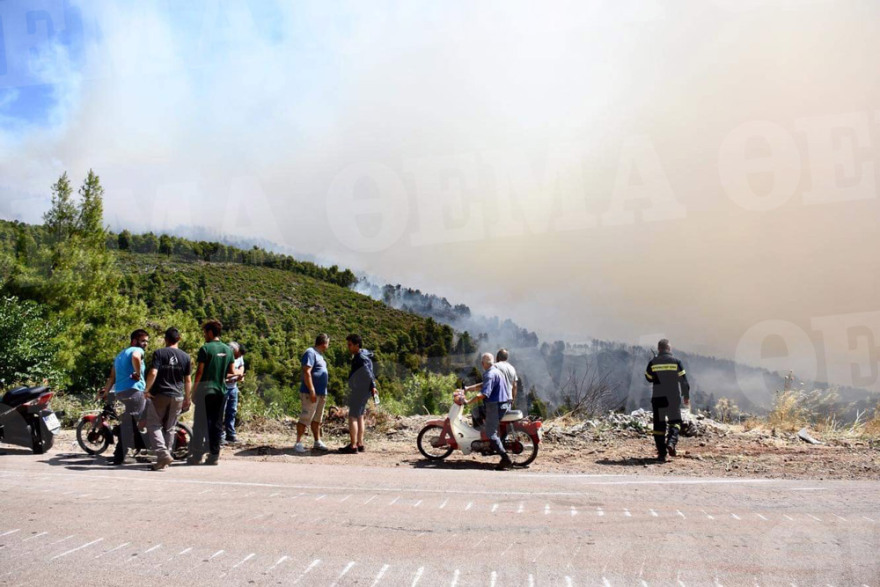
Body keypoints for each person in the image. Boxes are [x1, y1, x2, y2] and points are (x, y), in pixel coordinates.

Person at [188, 320, 236, 466]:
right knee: (216, 424)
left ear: (209, 332)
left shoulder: (205, 348)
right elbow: (232, 372)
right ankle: (214, 455)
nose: (204, 335)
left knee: (200, 424)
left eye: (204, 332)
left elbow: (200, 372)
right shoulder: (228, 350)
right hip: (221, 391)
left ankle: (196, 456)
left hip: (205, 391)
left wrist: (193, 392)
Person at [143, 327, 191, 471]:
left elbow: (153, 372)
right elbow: (188, 380)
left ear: (165, 339)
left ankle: (163, 454)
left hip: (161, 394)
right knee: (170, 427)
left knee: (153, 425)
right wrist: (187, 398)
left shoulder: (159, 353)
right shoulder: (185, 357)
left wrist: (146, 390)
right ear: (179, 339)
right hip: (178, 395)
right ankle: (165, 458)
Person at [99, 329, 149, 465]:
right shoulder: (136, 350)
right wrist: (138, 374)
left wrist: (105, 393)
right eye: (143, 340)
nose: (145, 344)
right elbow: (136, 357)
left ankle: (126, 450)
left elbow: (112, 377)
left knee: (130, 421)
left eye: (147, 341)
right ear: (134, 341)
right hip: (134, 391)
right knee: (132, 424)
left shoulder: (120, 355)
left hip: (121, 392)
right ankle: (121, 454)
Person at [460, 352, 513, 470]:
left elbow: (483, 394)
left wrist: (468, 401)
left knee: (491, 432)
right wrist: (469, 388)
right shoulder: (495, 371)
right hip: (502, 404)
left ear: (483, 363)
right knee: (476, 411)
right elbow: (485, 385)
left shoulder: (490, 374)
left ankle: (505, 459)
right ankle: (483, 440)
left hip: (495, 406)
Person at [644, 338, 690, 462]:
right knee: (675, 422)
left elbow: (648, 377)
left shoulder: (653, 362)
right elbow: (683, 381)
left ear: (659, 349)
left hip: (658, 398)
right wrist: (686, 396)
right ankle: (671, 442)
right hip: (673, 398)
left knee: (659, 426)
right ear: (669, 349)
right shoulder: (676, 362)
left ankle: (662, 454)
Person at [339, 334, 377, 454]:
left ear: (357, 345)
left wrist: (372, 386)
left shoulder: (360, 357)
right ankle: (360, 444)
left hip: (360, 390)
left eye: (350, 345)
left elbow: (367, 372)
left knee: (353, 416)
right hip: (365, 391)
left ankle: (353, 446)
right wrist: (372, 387)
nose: (348, 347)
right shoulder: (364, 354)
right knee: (360, 416)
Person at [294, 334, 331, 453]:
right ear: (324, 343)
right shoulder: (310, 352)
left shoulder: (320, 355)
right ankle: (298, 442)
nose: (328, 346)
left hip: (321, 393)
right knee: (306, 417)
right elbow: (307, 371)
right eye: (328, 343)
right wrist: (312, 390)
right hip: (311, 393)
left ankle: (317, 441)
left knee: (317, 419)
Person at [473, 348, 518, 427]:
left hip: (497, 401)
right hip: (508, 401)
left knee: (477, 411)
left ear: (497, 358)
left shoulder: (495, 367)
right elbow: (514, 386)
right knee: (504, 422)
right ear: (506, 358)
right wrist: (512, 400)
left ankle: (480, 434)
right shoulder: (512, 368)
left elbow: (488, 384)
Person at [222, 342, 246, 445]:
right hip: (224, 387)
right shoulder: (225, 356)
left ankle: (230, 435)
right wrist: (235, 374)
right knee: (221, 413)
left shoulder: (239, 357)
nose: (238, 357)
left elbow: (241, 366)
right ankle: (220, 436)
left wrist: (240, 374)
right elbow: (223, 373)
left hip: (233, 387)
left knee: (232, 411)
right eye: (237, 355)